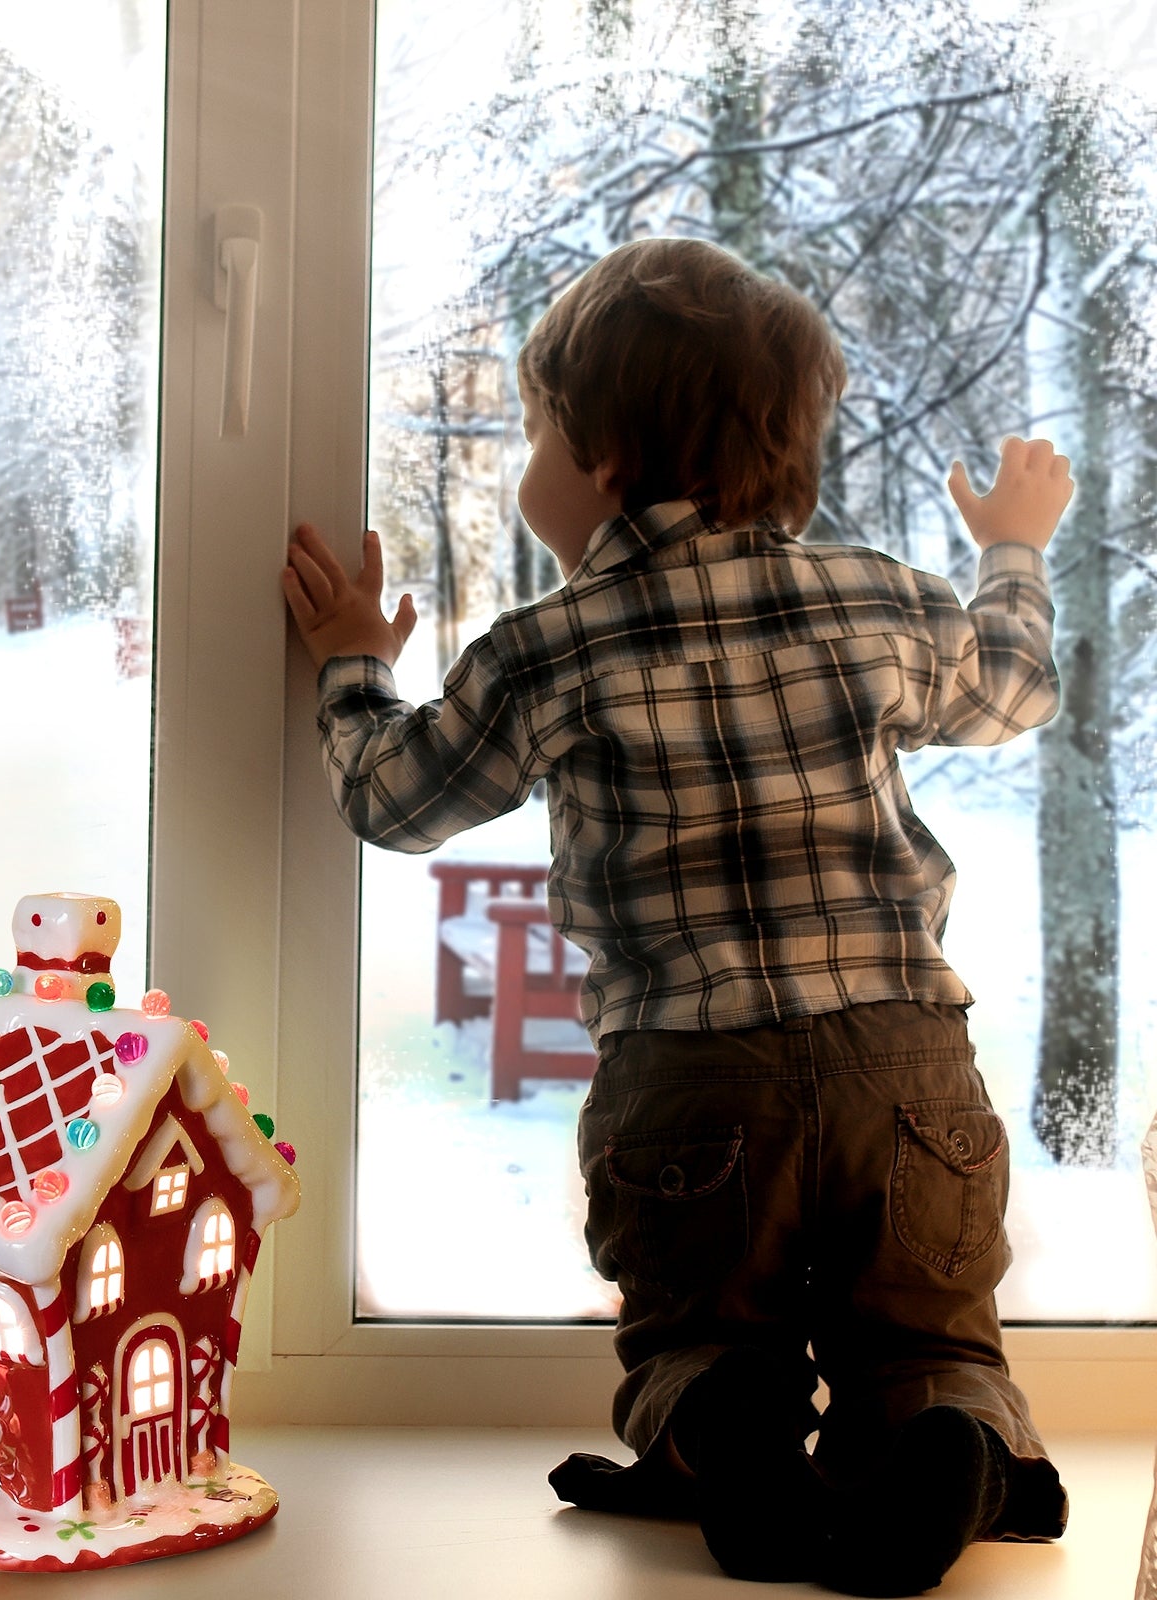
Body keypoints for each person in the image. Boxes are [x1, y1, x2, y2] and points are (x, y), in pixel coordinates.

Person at [282, 237, 1073, 1597]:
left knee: (703, 1336)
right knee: (936, 1334)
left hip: (692, 1079)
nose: (523, 456)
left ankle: (725, 1436)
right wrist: (1009, 551)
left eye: (534, 427)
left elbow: (395, 800)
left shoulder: (546, 648)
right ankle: (950, 1437)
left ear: (598, 463)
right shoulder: (878, 599)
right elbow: (1011, 689)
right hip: (910, 1065)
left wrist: (354, 660)